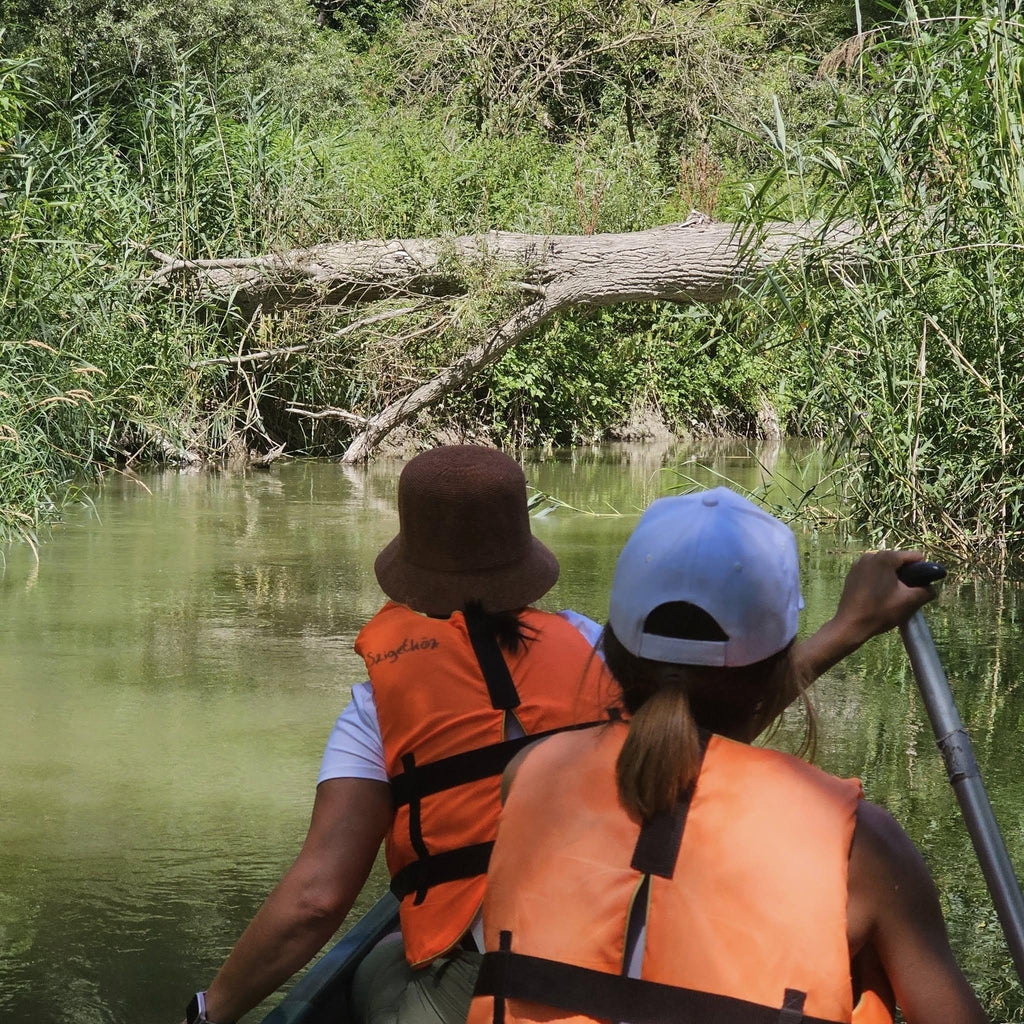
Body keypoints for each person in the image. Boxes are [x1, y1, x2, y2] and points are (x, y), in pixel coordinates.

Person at [180, 451, 934, 1024]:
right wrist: (850, 628)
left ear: (405, 569)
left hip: (494, 970)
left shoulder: (388, 704)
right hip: (641, 959)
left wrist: (210, 1008)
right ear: (525, 554)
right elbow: (705, 751)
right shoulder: (589, 648)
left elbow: (317, 899)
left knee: (376, 970)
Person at [468, 487, 987, 1024]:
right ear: (779, 663)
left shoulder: (530, 775)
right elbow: (706, 756)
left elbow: (687, 754)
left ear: (613, 651)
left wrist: (849, 628)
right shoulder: (861, 848)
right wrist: (848, 626)